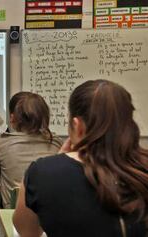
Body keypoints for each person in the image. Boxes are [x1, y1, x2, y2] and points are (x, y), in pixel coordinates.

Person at [13, 80, 148, 236]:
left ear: (77, 126)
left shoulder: (41, 173)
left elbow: (27, 232)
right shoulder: (142, 170)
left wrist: (56, 162)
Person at [0, 92, 62, 213]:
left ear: (12, 117)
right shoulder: (56, 142)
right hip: (51, 215)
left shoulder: (3, 143)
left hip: (15, 216)